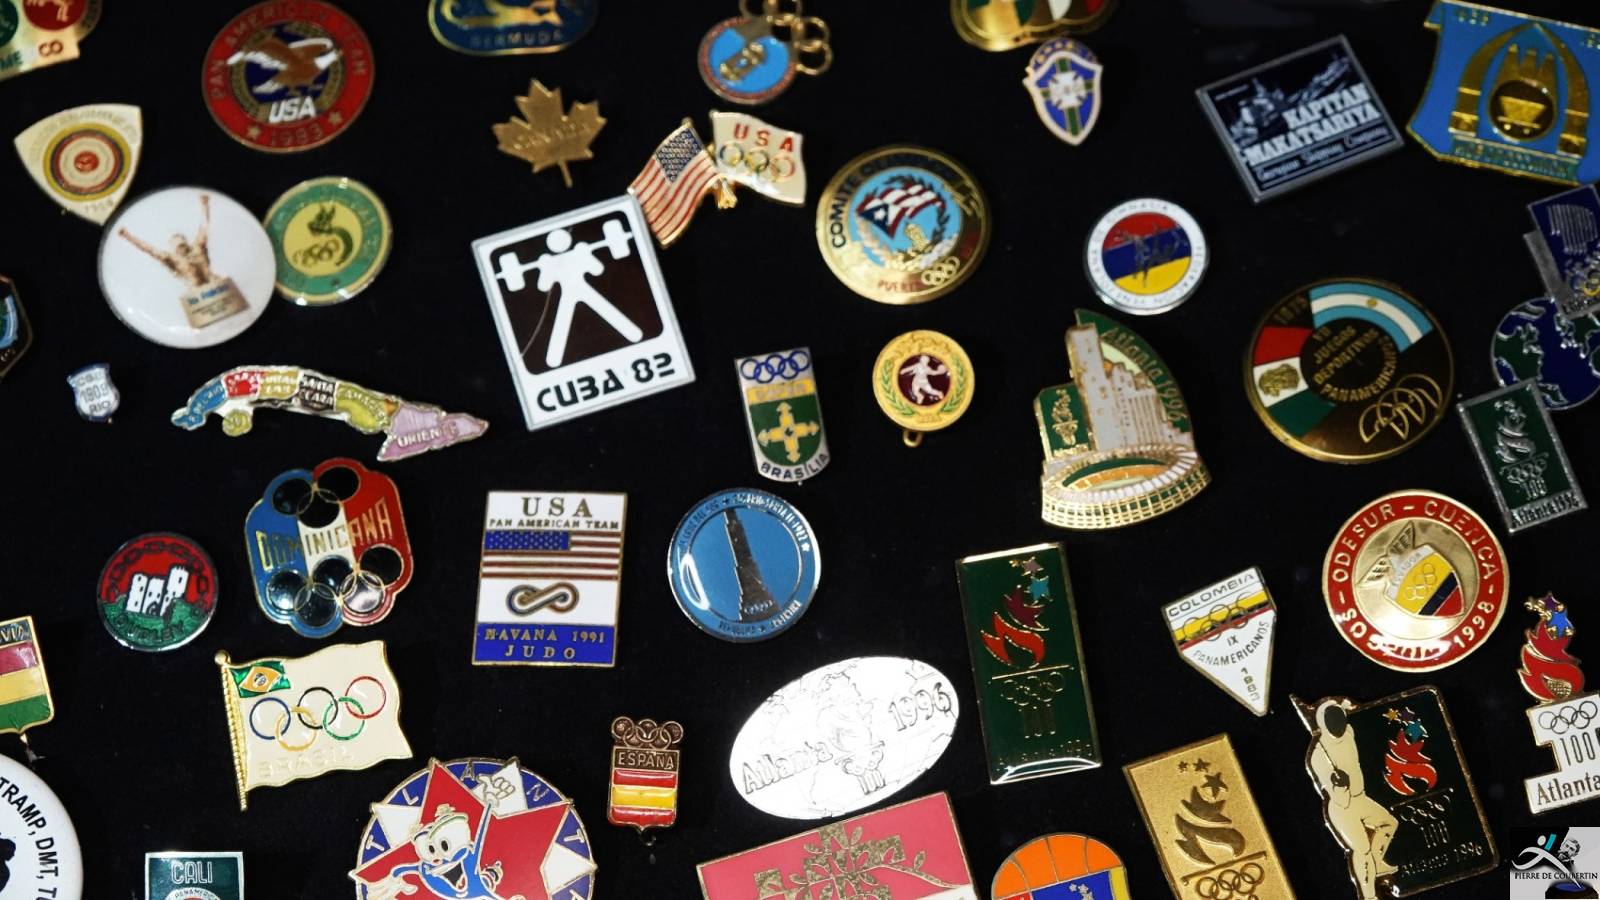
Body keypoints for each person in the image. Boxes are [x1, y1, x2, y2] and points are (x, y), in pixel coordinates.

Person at [1309, 699, 1398, 899]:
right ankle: (1368, 895)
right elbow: (1336, 796)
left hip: (1360, 799)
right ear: (1324, 724)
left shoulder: (1349, 733)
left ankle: (1376, 862)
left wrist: (1344, 705)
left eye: (1340, 718)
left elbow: (1344, 707)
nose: (1338, 725)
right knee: (1362, 850)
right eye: (1332, 720)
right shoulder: (1318, 757)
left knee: (1388, 823)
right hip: (1342, 807)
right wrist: (1339, 785)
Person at [534, 227, 643, 368]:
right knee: (564, 319)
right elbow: (544, 285)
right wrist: (545, 266)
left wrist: (585, 254)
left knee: (601, 311)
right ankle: (553, 359)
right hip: (571, 292)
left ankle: (634, 335)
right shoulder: (552, 262)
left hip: (580, 289)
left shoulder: (577, 254)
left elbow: (597, 269)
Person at [117, 193, 219, 289]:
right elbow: (149, 250)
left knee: (199, 256)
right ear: (175, 249)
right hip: (197, 289)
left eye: (183, 245)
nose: (182, 249)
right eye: (179, 247)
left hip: (213, 283)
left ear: (186, 243)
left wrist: (205, 205)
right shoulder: (173, 259)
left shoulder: (197, 247)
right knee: (188, 270)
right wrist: (128, 236)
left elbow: (204, 228)